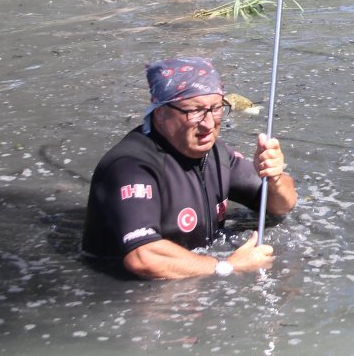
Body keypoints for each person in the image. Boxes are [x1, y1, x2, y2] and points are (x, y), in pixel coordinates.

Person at [82, 56, 298, 279]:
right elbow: (143, 257)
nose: (208, 124)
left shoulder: (217, 153)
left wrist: (275, 177)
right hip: (127, 296)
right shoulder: (130, 166)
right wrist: (226, 266)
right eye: (193, 111)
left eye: (216, 108)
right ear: (161, 113)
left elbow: (281, 206)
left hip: (190, 284)